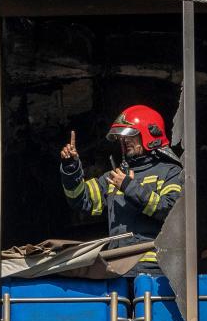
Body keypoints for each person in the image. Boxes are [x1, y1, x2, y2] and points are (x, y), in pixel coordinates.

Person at [59, 105, 183, 275]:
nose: (124, 142)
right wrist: (71, 168)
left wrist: (128, 187)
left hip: (155, 273)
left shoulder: (170, 172)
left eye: (131, 136)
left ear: (150, 134)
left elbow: (170, 212)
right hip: (118, 269)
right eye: (122, 138)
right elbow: (81, 200)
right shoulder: (115, 177)